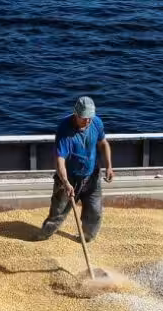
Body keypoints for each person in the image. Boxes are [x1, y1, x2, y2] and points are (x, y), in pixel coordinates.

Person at [36, 96, 114, 242]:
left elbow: (103, 143)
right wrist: (65, 182)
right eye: (84, 118)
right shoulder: (64, 131)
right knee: (58, 213)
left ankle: (87, 237)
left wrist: (109, 166)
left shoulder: (96, 122)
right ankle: (43, 236)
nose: (88, 121)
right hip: (69, 177)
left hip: (92, 176)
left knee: (95, 212)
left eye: (90, 117)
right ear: (75, 114)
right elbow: (60, 160)